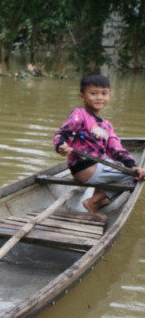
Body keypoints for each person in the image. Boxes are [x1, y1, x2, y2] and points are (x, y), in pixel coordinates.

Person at [54, 73, 145, 214]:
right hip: (85, 169)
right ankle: (93, 202)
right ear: (82, 96)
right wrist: (61, 146)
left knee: (130, 170)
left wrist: (132, 165)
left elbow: (116, 149)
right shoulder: (79, 114)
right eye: (93, 93)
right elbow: (63, 134)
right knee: (134, 177)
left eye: (104, 93)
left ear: (110, 96)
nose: (99, 97)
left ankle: (99, 199)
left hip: (97, 168)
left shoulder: (106, 125)